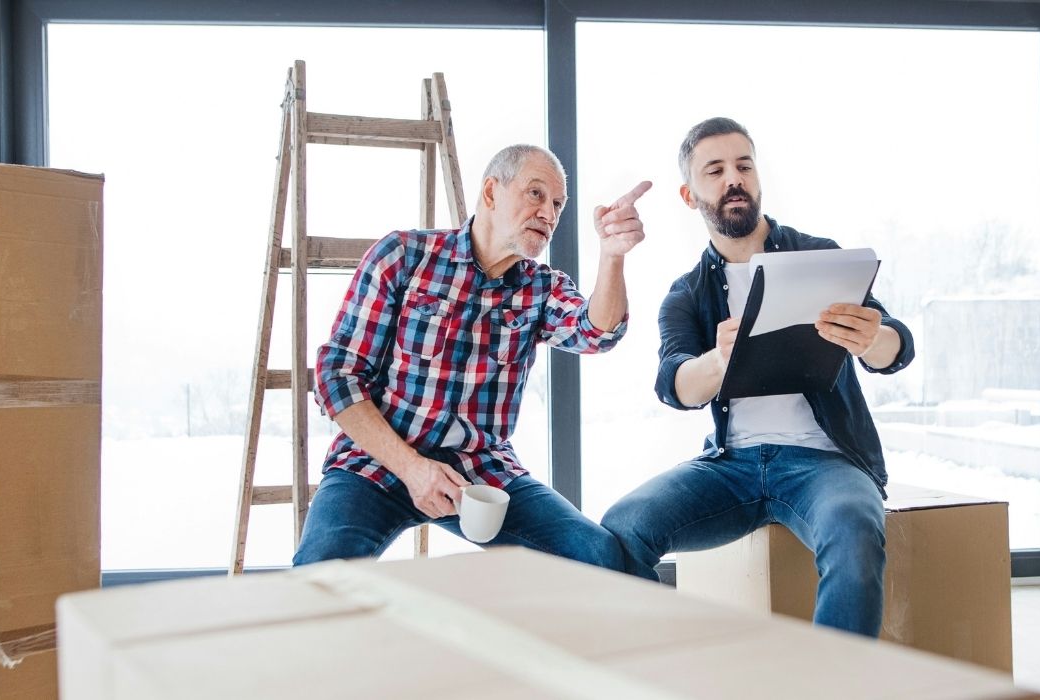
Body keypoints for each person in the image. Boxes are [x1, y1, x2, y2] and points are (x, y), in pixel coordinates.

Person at [601, 118, 915, 637]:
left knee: (855, 531)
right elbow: (674, 386)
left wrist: (873, 338)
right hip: (731, 466)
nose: (734, 179)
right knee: (622, 528)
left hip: (825, 462)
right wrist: (718, 361)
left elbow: (896, 346)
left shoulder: (819, 257)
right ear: (689, 195)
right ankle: (658, 666)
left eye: (744, 165)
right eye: (715, 170)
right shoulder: (686, 293)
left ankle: (838, 676)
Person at [293, 144, 650, 569]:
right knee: (319, 575)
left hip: (481, 469)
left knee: (599, 556)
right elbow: (338, 375)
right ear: (491, 192)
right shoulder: (404, 255)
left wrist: (612, 256)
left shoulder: (543, 287)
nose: (549, 214)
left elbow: (597, 333)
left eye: (558, 204)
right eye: (536, 194)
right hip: (378, 458)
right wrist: (413, 468)